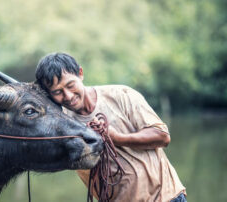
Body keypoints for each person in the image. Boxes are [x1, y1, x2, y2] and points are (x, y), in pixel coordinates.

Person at [35, 52, 186, 202]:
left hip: (164, 197)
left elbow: (162, 137)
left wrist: (118, 138)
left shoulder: (122, 95)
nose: (67, 96)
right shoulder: (62, 123)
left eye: (70, 85)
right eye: (57, 92)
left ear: (80, 74)